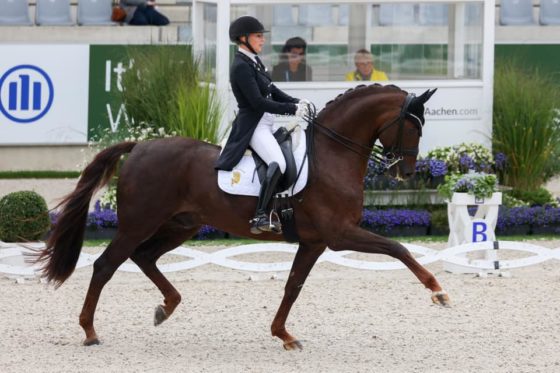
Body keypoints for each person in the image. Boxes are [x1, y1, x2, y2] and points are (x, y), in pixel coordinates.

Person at [215, 16, 310, 234]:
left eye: (261, 36)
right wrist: (291, 110)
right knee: (278, 162)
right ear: (243, 38)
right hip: (254, 125)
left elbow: (272, 90)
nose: (262, 40)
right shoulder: (240, 66)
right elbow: (258, 102)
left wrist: (296, 101)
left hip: (266, 123)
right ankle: (260, 215)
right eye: (258, 36)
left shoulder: (254, 61)